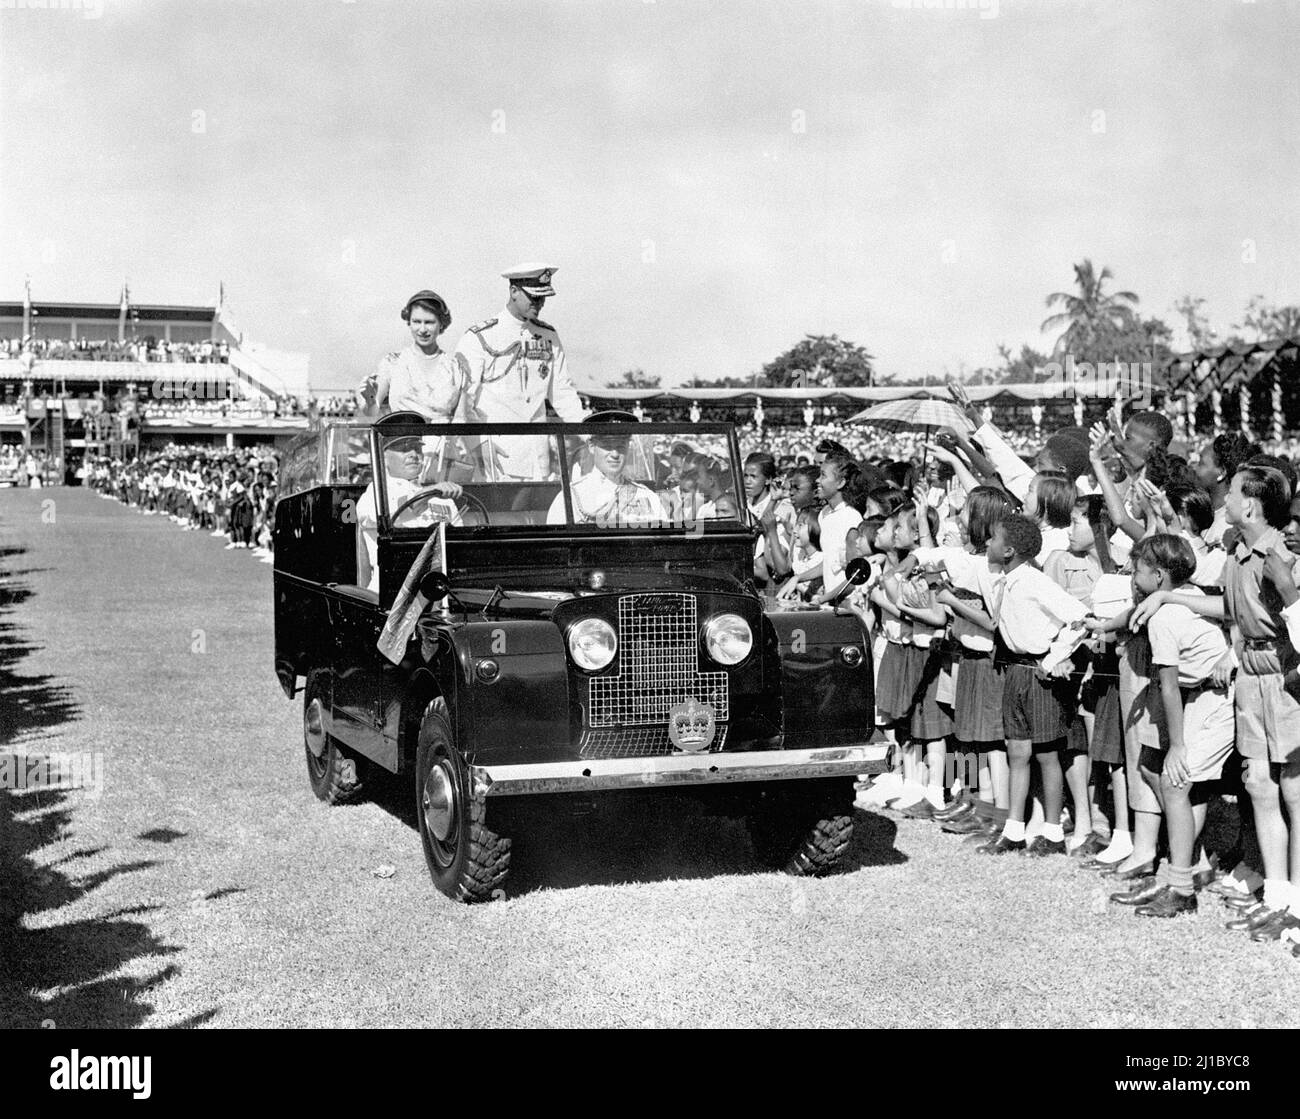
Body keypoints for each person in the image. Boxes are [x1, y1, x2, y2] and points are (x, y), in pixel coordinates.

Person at [1114, 535, 1234, 917]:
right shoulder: (1187, 593)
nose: (1133, 577)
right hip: (1201, 696)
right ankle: (1177, 875)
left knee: (1175, 780)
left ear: (1160, 575)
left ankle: (1181, 888)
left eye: (1138, 570)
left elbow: (1168, 685)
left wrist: (1178, 745)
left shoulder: (1164, 616)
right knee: (1179, 783)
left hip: (1217, 699)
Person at [974, 514, 1089, 856]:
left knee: (1047, 754)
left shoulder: (1033, 582)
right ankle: (1014, 830)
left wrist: (1055, 656)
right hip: (1016, 672)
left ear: (1008, 550)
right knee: (1018, 752)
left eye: (993, 539)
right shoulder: (1004, 581)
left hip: (1040, 674)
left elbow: (1079, 617)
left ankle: (1053, 833)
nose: (987, 544)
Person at [456, 263, 586, 480]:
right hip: (496, 455)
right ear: (514, 291)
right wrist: (477, 444)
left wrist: (589, 434)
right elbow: (463, 401)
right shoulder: (479, 337)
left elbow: (562, 393)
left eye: (543, 298)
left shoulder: (548, 336)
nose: (540, 304)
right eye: (534, 297)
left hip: (538, 458)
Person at [355, 431, 463, 593]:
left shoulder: (444, 500)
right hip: (391, 592)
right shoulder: (376, 494)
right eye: (404, 449)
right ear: (384, 458)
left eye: (417, 449)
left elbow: (460, 547)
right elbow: (396, 510)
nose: (413, 454)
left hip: (440, 589)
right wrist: (430, 492)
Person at [357, 290, 467, 423]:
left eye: (429, 322)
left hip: (443, 441)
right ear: (409, 322)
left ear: (442, 324)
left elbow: (461, 420)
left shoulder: (455, 367)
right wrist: (369, 399)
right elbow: (372, 412)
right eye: (416, 321)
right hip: (402, 441)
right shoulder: (393, 363)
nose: (422, 329)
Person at [547, 423, 664, 526]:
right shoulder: (570, 497)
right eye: (607, 446)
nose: (615, 454)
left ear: (628, 447)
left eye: (621, 446)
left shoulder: (646, 496)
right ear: (592, 447)